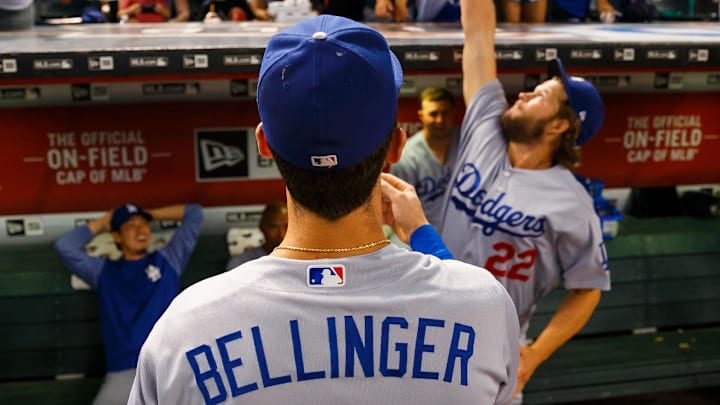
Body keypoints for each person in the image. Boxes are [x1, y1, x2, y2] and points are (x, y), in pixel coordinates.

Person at [129, 15, 519, 404]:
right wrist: (424, 237)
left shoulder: (184, 328)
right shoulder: (483, 305)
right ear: (398, 146)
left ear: (265, 145)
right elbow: (458, 301)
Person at [439, 0, 611, 401]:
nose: (525, 93)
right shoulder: (487, 127)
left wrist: (535, 353)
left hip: (488, 351)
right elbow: (479, 36)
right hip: (422, 327)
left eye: (540, 95)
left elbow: (589, 288)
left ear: (559, 125)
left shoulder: (572, 203)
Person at [54, 203, 203, 405]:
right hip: (124, 373)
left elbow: (194, 213)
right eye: (131, 225)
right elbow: (65, 246)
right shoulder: (103, 271)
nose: (140, 229)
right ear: (116, 236)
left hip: (167, 370)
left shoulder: (168, 261)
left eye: (143, 224)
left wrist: (150, 213)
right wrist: (106, 220)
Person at [390, 86, 459, 230]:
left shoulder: (467, 144)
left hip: (463, 233)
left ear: (453, 113)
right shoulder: (408, 155)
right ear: (421, 116)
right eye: (433, 114)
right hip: (422, 232)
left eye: (445, 113)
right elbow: (399, 208)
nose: (440, 120)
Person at [225, 200, 288, 270]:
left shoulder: (301, 262)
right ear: (262, 227)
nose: (282, 234)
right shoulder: (241, 264)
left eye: (287, 227)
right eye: (274, 227)